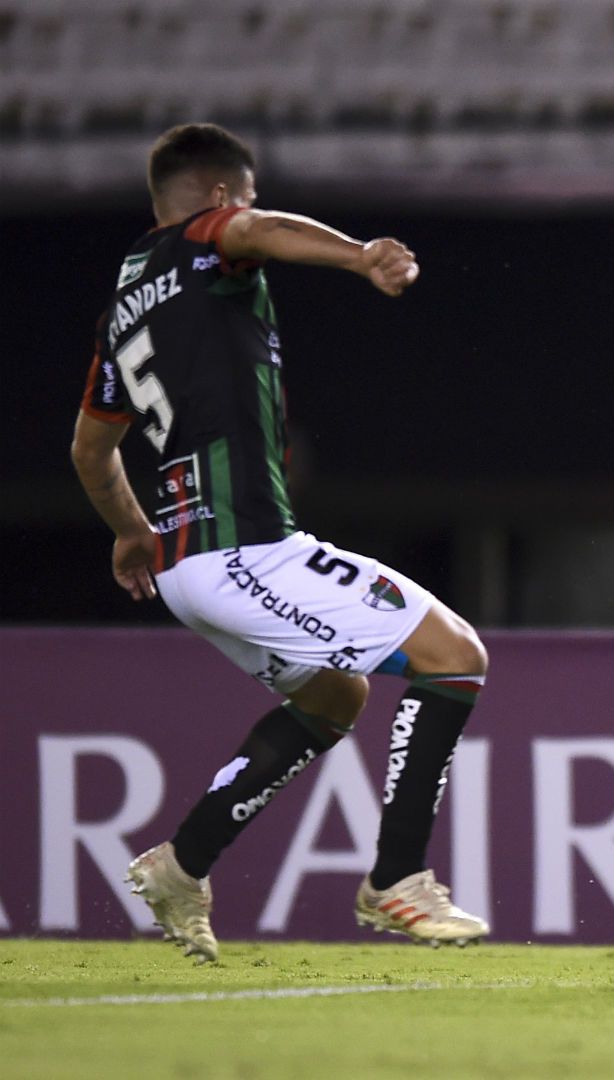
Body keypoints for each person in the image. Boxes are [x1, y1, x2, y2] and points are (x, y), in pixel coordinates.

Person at [70, 123, 490, 963]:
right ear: (224, 197)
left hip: (186, 566)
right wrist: (360, 254)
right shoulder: (210, 236)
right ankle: (396, 879)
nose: (248, 216)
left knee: (336, 696)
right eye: (245, 202)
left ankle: (181, 866)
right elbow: (255, 233)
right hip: (245, 550)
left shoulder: (125, 302)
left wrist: (130, 532)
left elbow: (89, 448)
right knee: (454, 656)